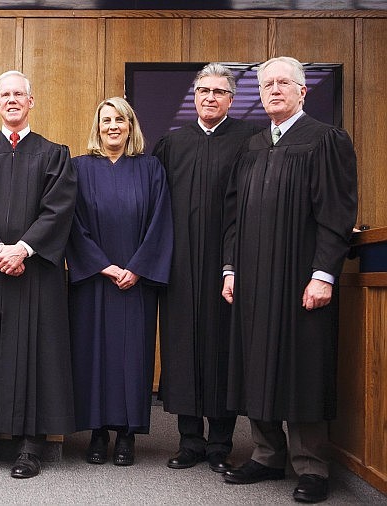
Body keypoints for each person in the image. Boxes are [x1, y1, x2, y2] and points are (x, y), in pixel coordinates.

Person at [221, 57, 357, 503]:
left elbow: (336, 214)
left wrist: (323, 276)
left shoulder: (325, 140)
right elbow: (234, 216)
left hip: (301, 277)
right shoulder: (254, 145)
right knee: (256, 362)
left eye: (284, 83)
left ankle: (312, 466)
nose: (274, 89)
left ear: (303, 91)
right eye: (266, 84)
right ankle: (266, 453)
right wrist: (231, 268)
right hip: (254, 278)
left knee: (302, 366)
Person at [0, 70, 77, 479]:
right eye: (4, 94)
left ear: (31, 101)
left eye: (18, 94)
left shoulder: (54, 153)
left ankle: (29, 447)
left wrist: (22, 248)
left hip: (34, 270)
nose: (11, 100)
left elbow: (58, 209)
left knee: (35, 353)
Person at [153, 63, 262, 474]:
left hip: (228, 262)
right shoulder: (172, 143)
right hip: (179, 264)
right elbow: (155, 205)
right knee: (181, 349)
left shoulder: (249, 140)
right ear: (194, 97)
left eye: (219, 91)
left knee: (221, 349)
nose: (210, 97)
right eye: (203, 91)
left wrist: (234, 263)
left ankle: (220, 443)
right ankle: (189, 441)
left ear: (231, 100)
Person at [67, 97, 173, 467]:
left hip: (135, 281)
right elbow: (71, 224)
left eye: (120, 120)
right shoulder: (78, 168)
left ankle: (126, 435)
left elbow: (161, 221)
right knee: (92, 354)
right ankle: (97, 433)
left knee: (132, 356)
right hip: (95, 279)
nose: (112, 126)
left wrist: (138, 267)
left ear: (131, 126)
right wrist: (102, 266)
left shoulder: (151, 168)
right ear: (97, 127)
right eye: (105, 120)